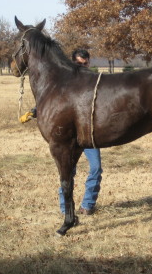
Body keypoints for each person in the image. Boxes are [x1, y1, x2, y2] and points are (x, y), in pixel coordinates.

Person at [20, 49, 102, 216]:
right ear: (73, 62)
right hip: (69, 135)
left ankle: (88, 204)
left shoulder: (94, 82)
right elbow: (56, 103)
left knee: (96, 168)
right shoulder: (66, 83)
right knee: (68, 170)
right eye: (79, 63)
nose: (83, 66)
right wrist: (35, 111)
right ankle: (66, 208)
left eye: (86, 63)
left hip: (89, 133)